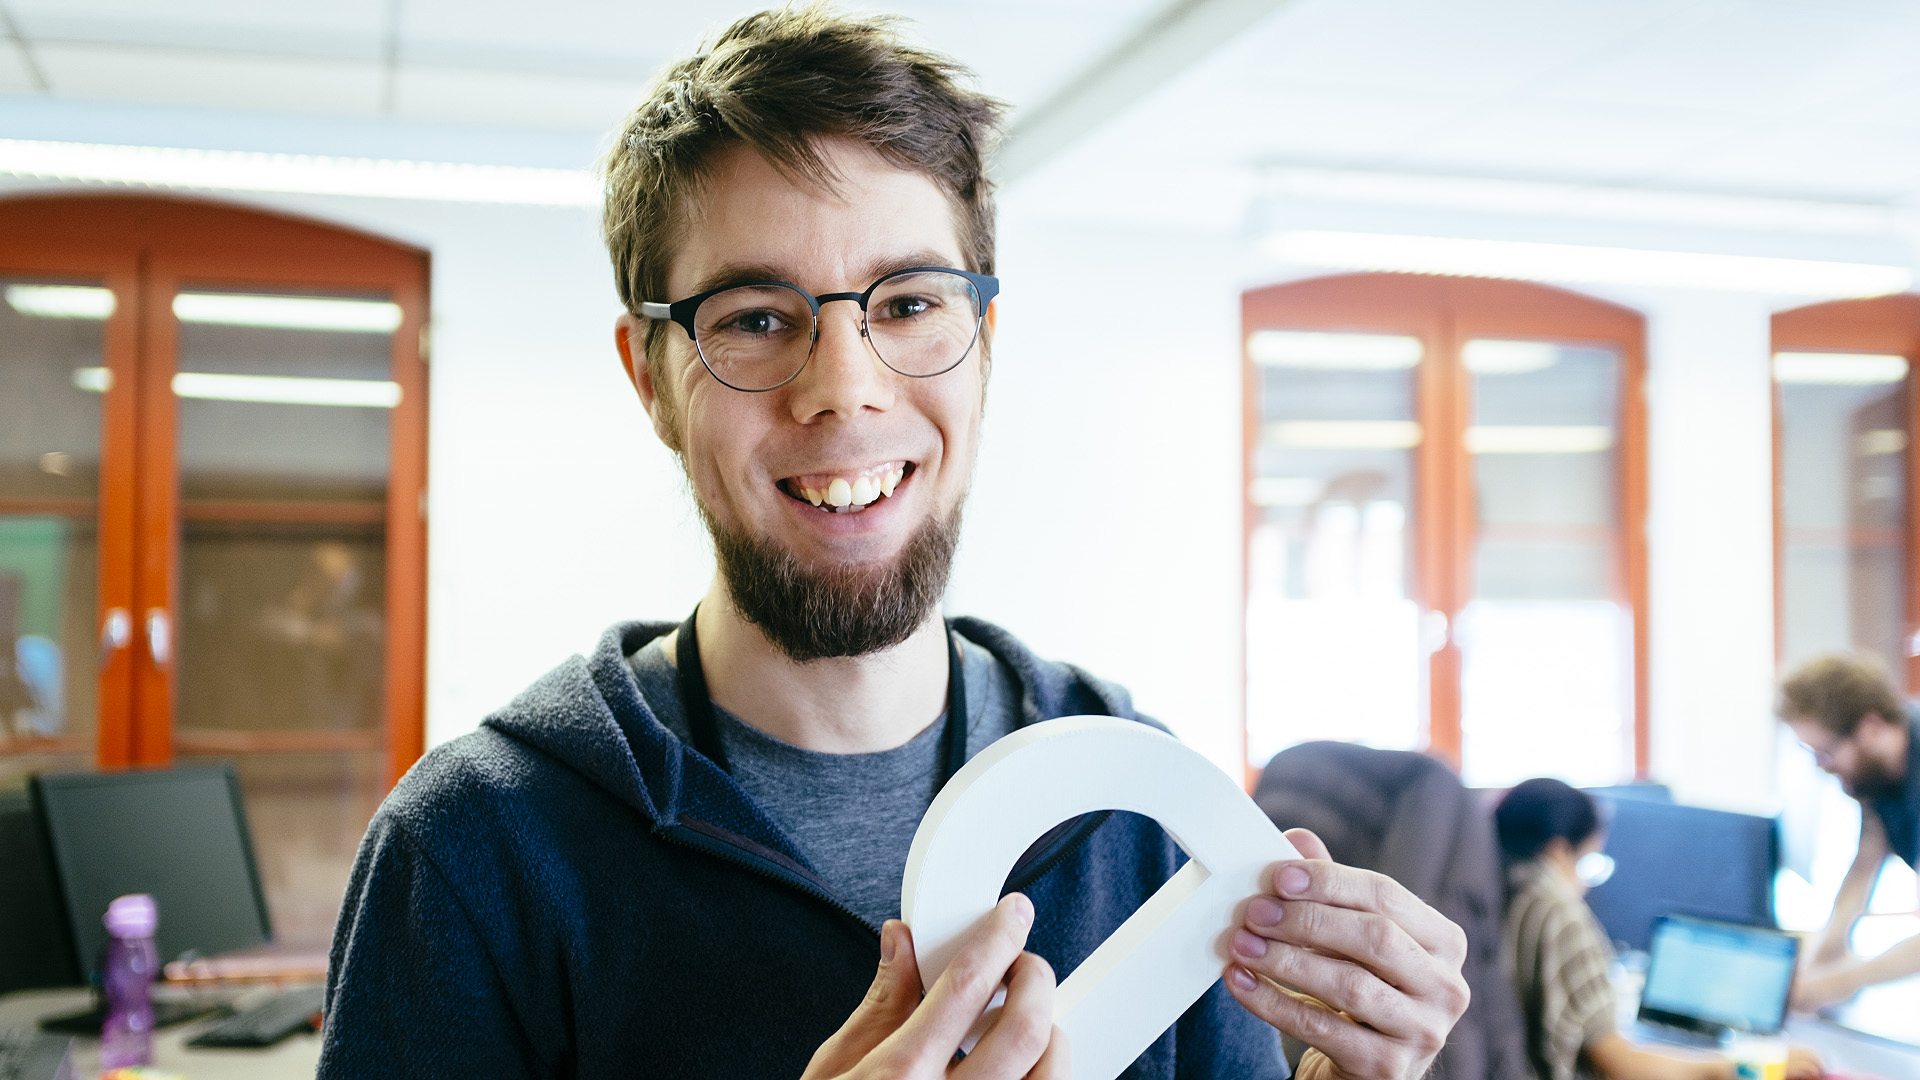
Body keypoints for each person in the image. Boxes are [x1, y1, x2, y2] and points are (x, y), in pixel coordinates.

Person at [315, 8, 1469, 1079]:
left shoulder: (1138, 818)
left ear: (985, 340)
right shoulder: (472, 855)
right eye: (756, 320)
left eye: (910, 303)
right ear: (650, 380)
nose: (845, 391)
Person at [1494, 779, 1819, 1080]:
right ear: (1559, 850)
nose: (1585, 885)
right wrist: (1741, 1066)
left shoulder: (1498, 893)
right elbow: (1620, 1064)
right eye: (1588, 864)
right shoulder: (1556, 911)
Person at [1778, 653, 1920, 1009]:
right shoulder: (1878, 777)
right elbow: (1863, 866)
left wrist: (1832, 984)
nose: (1821, 768)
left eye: (1825, 753)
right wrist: (1816, 963)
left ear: (1870, 728)